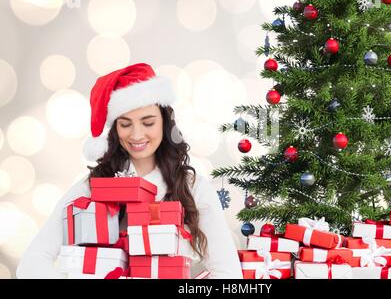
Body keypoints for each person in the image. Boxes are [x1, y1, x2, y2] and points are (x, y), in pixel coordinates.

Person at [16, 63, 243, 279]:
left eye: (148, 123)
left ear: (164, 122)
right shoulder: (93, 186)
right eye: (125, 124)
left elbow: (228, 273)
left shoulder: (194, 188)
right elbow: (32, 263)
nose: (136, 135)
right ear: (115, 128)